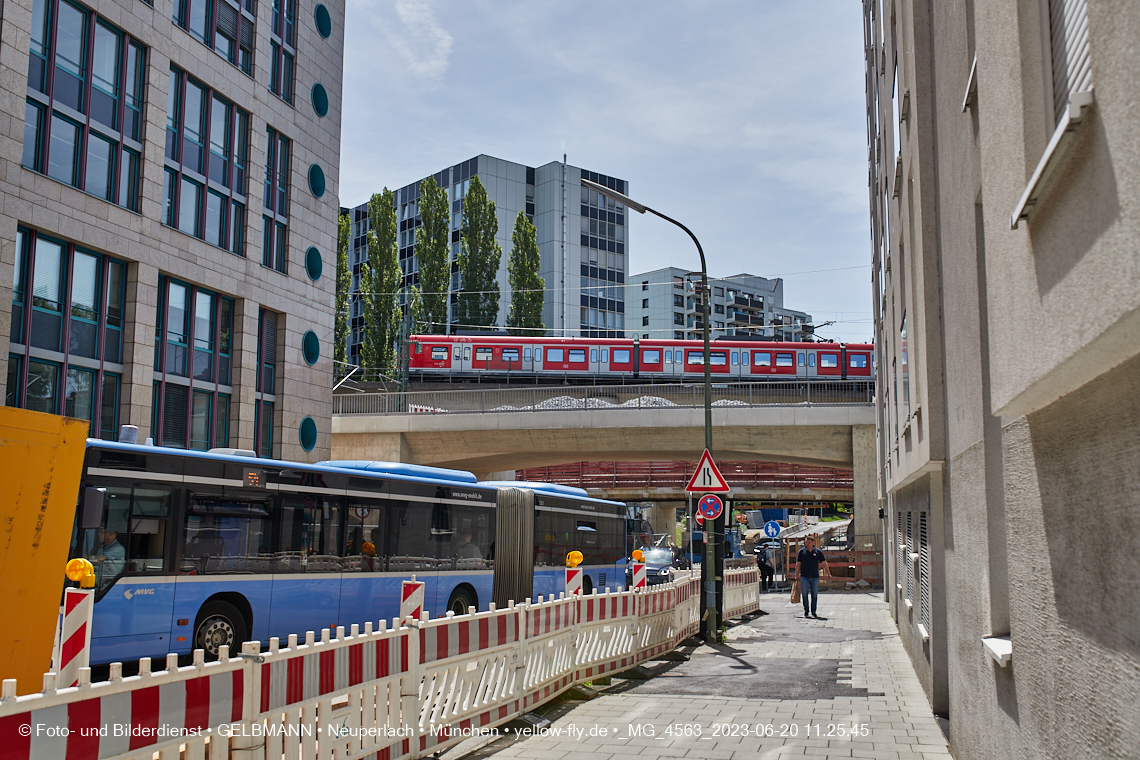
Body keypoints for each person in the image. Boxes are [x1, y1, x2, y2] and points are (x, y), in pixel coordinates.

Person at [796, 535, 828, 619]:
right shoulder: (801, 552)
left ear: (813, 543)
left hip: (814, 576)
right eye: (806, 542)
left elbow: (824, 562)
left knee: (814, 594)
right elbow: (798, 563)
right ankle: (806, 610)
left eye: (809, 542)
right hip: (804, 576)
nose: (807, 544)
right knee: (804, 593)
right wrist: (796, 574)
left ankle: (814, 611)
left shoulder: (818, 552)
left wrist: (828, 573)